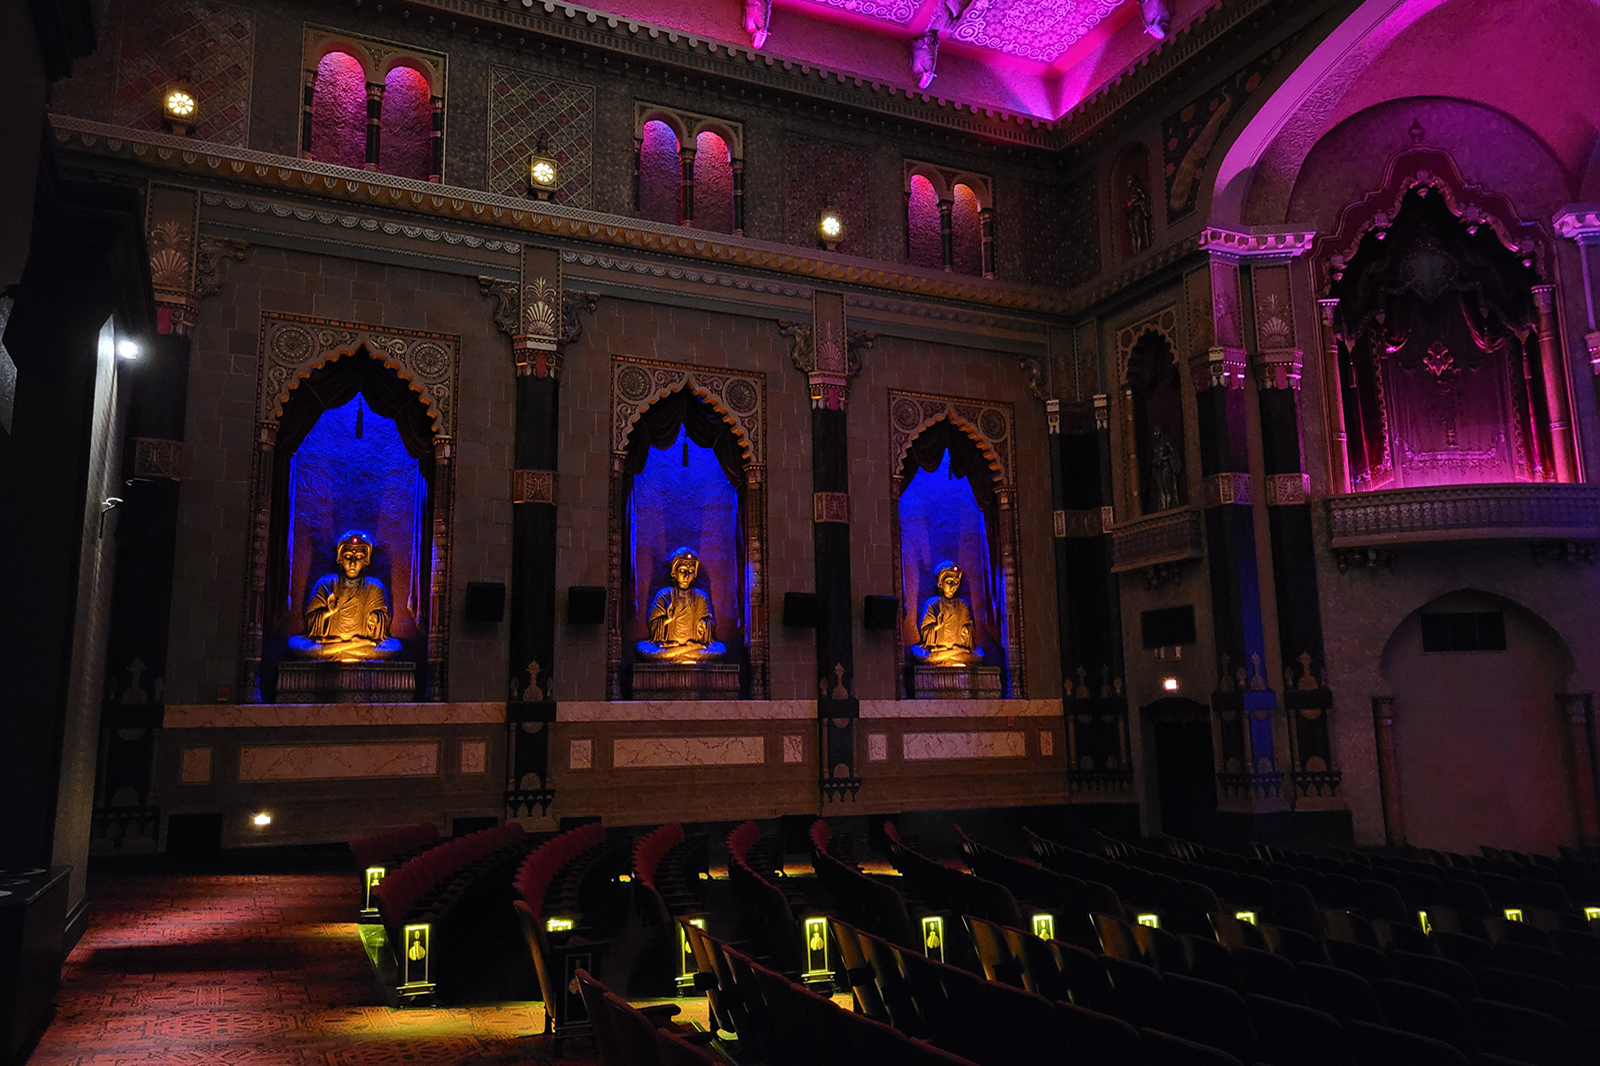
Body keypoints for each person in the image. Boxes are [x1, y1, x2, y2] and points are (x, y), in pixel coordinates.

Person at [287, 530, 402, 661]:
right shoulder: (326, 583)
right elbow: (311, 622)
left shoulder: (374, 586)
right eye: (348, 556)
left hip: (346, 644)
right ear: (340, 558)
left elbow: (382, 626)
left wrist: (375, 619)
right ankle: (352, 646)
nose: (353, 562)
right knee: (295, 644)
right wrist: (328, 612)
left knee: (394, 646)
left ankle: (339, 650)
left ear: (366, 560)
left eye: (359, 557)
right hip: (335, 642)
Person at [637, 547, 727, 662]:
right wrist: (667, 620)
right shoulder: (665, 594)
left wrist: (703, 625)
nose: (686, 575)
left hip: (695, 643)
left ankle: (682, 651)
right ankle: (689, 650)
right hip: (669, 645)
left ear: (694, 574)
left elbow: (709, 624)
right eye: (682, 570)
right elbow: (653, 625)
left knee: (720, 649)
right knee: (643, 648)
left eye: (690, 572)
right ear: (674, 572)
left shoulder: (700, 596)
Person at [912, 560, 982, 666]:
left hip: (959, 649)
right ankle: (950, 656)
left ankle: (950, 656)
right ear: (940, 583)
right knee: (919, 653)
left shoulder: (962, 605)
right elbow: (925, 631)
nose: (952, 586)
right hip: (937, 650)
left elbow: (969, 633)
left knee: (979, 654)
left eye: (956, 583)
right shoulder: (933, 603)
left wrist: (966, 632)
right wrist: (936, 626)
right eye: (949, 582)